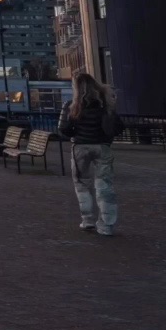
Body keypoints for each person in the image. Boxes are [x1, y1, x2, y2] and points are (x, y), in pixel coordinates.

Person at [58, 73, 122, 236]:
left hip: (80, 147)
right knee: (104, 186)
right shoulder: (106, 104)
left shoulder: (73, 105)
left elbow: (64, 129)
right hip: (102, 147)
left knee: (82, 183)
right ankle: (106, 225)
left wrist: (75, 131)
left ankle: (87, 220)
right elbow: (119, 127)